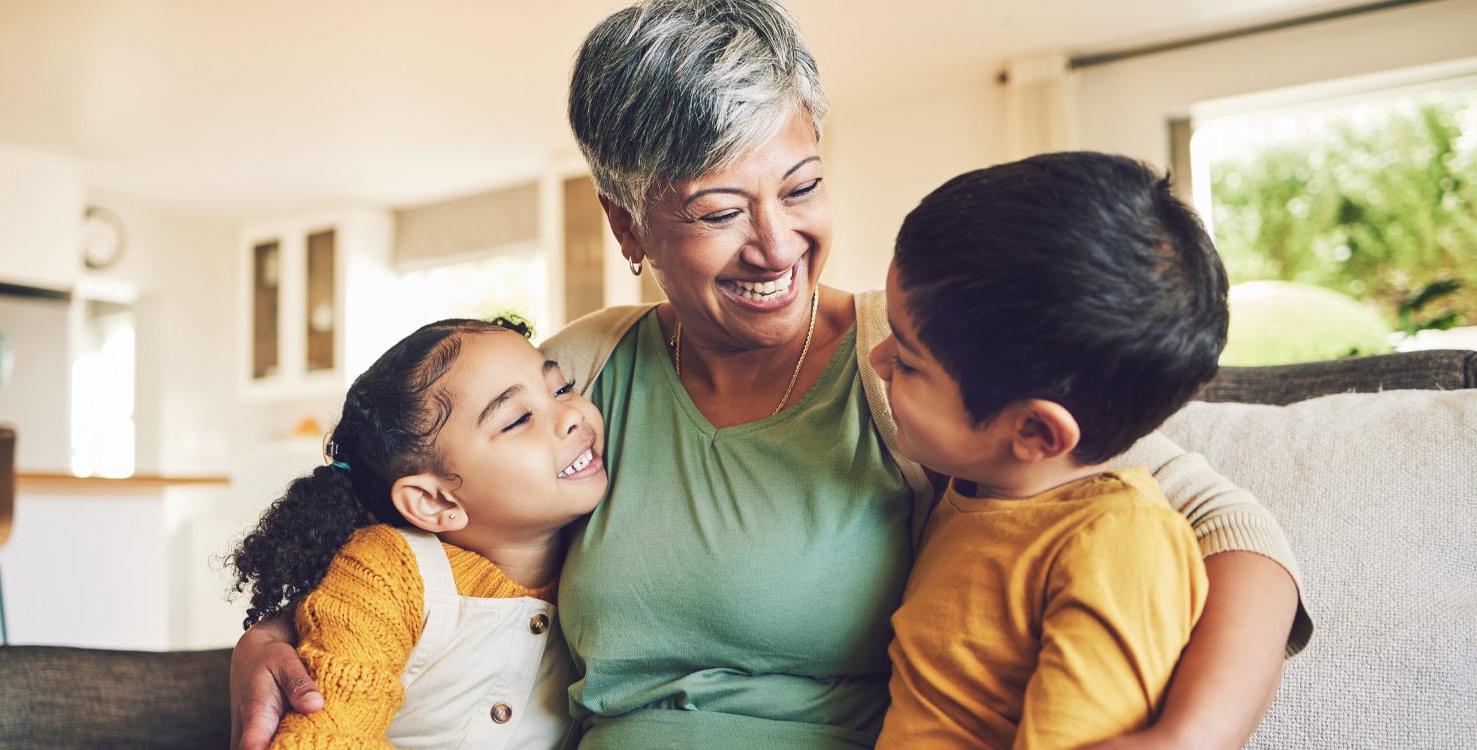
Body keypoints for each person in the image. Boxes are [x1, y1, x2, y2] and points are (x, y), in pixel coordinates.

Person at [230, 2, 1312, 748]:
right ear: (627, 223)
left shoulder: (926, 366)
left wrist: (1187, 737)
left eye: (800, 188)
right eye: (716, 212)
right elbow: (415, 504)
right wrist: (277, 635)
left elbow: (1229, 525)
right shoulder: (579, 377)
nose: (777, 246)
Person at [870, 152, 1229, 748]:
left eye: (907, 362)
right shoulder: (973, 487)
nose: (877, 360)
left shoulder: (1117, 544)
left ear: (1036, 433)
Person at [227, 317, 606, 748]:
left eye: (561, 388)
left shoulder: (601, 547)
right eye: (519, 419)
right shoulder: (387, 570)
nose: (571, 414)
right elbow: (327, 735)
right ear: (435, 501)